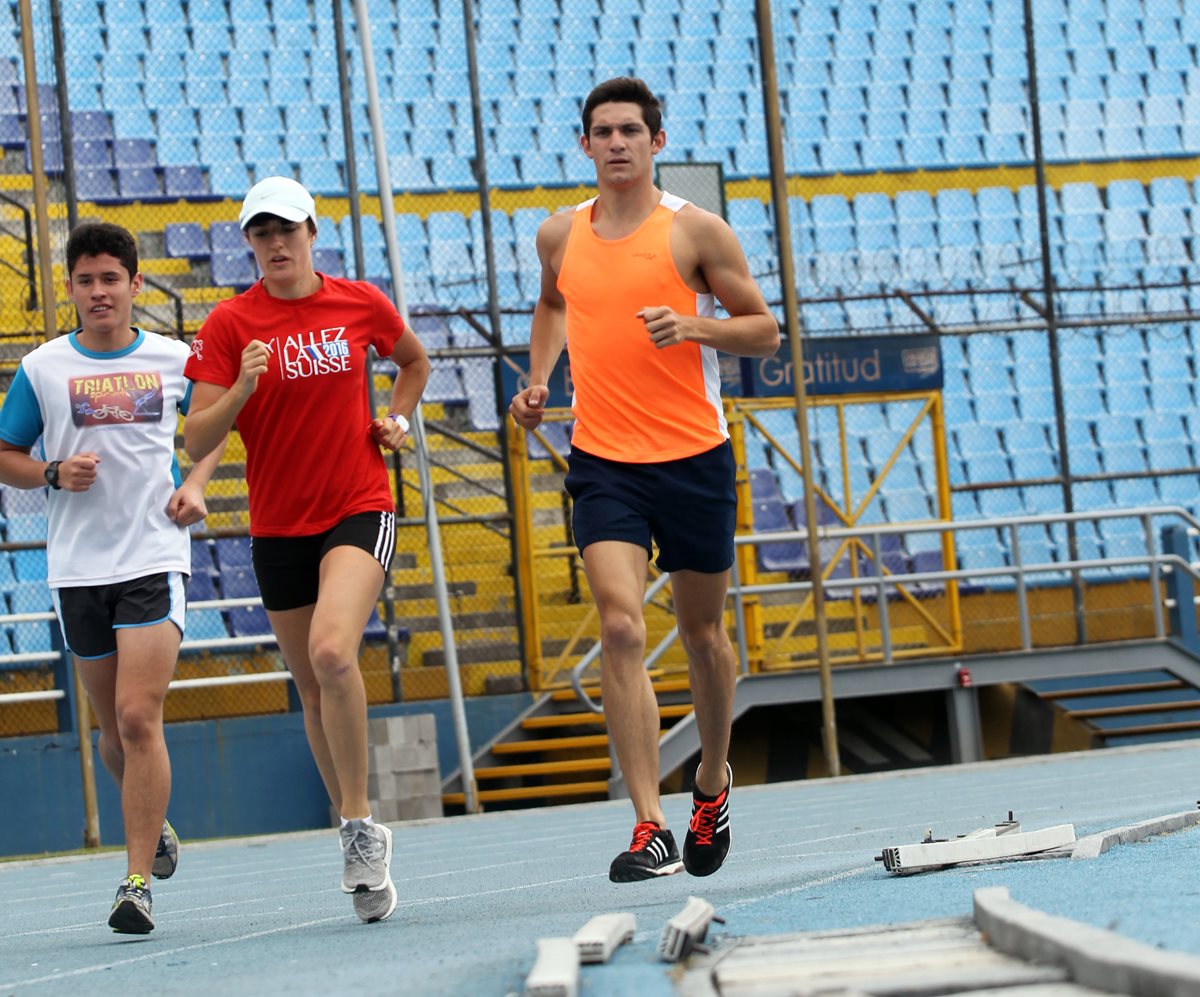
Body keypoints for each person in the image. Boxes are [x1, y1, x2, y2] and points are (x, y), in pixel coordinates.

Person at [509, 77, 779, 882]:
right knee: (621, 626)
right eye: (603, 131)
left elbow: (765, 331)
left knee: (703, 638)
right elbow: (554, 304)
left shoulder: (697, 234)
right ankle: (648, 824)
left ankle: (709, 782)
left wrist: (693, 323)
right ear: (584, 145)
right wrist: (539, 379)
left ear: (657, 143)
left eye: (631, 130)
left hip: (694, 457)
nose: (617, 142)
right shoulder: (558, 234)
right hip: (605, 463)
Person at [183, 176, 430, 924]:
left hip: (358, 505)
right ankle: (350, 825)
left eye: (286, 228)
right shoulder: (231, 323)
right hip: (279, 524)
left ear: (312, 230)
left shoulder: (360, 302)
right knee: (313, 689)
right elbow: (196, 437)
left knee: (331, 652)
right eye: (261, 232)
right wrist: (240, 391)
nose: (276, 243)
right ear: (249, 243)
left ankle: (360, 824)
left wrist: (395, 418)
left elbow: (412, 363)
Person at [0, 222, 226, 933]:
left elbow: (212, 428)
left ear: (134, 283)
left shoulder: (172, 358)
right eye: (86, 279)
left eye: (111, 278)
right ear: (70, 288)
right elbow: (5, 451)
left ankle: (135, 884)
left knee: (137, 715)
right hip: (77, 566)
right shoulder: (43, 368)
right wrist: (50, 473)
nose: (100, 291)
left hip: (153, 554)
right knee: (109, 730)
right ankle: (151, 822)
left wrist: (195, 483)